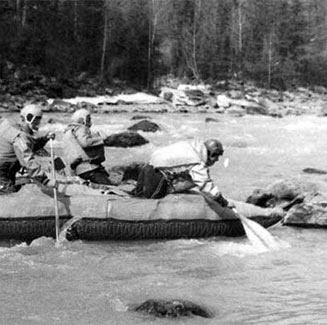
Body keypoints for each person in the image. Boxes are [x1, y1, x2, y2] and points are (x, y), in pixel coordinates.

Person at [135, 138, 233, 207]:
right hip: (156, 174)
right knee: (150, 203)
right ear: (211, 153)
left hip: (147, 166)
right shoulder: (197, 162)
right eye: (216, 156)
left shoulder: (192, 146)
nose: (217, 160)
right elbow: (205, 185)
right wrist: (221, 201)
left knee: (138, 196)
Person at [0, 104, 56, 194]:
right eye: (34, 120)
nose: (36, 124)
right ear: (26, 118)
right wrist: (44, 180)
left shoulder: (10, 126)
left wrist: (44, 139)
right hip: (3, 171)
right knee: (8, 196)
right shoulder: (19, 135)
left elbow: (30, 146)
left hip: (6, 170)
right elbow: (27, 158)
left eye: (38, 120)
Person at [63, 109, 111, 185]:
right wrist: (102, 139)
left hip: (80, 169)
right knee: (111, 188)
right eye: (88, 119)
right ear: (82, 120)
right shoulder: (80, 128)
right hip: (90, 169)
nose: (90, 122)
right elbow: (85, 142)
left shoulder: (70, 131)